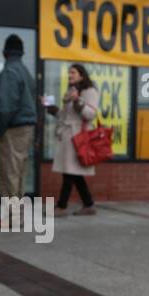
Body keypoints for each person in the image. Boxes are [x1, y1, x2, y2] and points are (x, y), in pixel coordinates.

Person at [44, 63, 99, 216]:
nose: (70, 75)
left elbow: (91, 114)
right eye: (69, 73)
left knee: (69, 172)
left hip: (78, 137)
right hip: (67, 137)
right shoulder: (71, 91)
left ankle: (62, 206)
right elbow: (63, 115)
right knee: (72, 172)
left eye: (73, 72)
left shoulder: (90, 91)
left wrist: (77, 101)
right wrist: (50, 107)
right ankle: (88, 204)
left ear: (81, 75)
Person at [0, 34, 37, 200]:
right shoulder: (25, 71)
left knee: (9, 172)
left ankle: (12, 216)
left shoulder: (10, 71)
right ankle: (17, 215)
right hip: (25, 128)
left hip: (13, 128)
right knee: (19, 171)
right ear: (22, 53)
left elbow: (7, 106)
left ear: (4, 53)